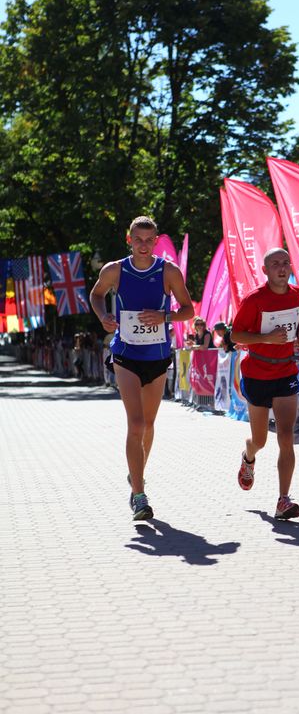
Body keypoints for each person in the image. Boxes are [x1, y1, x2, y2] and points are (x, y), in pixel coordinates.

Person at [89, 215, 194, 520]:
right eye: (138, 240)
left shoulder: (168, 271)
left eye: (149, 240)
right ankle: (139, 495)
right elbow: (96, 294)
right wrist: (102, 316)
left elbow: (188, 310)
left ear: (156, 241)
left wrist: (165, 317)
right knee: (135, 424)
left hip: (157, 357)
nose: (144, 245)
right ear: (129, 240)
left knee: (148, 425)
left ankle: (136, 474)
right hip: (126, 354)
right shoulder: (115, 270)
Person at [231, 248, 299, 520]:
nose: (282, 267)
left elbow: (298, 325)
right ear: (265, 270)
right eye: (275, 264)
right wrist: (266, 339)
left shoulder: (297, 295)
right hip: (257, 373)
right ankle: (248, 456)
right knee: (260, 440)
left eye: (286, 263)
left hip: (285, 371)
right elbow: (236, 335)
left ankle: (283, 500)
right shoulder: (254, 299)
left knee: (286, 436)